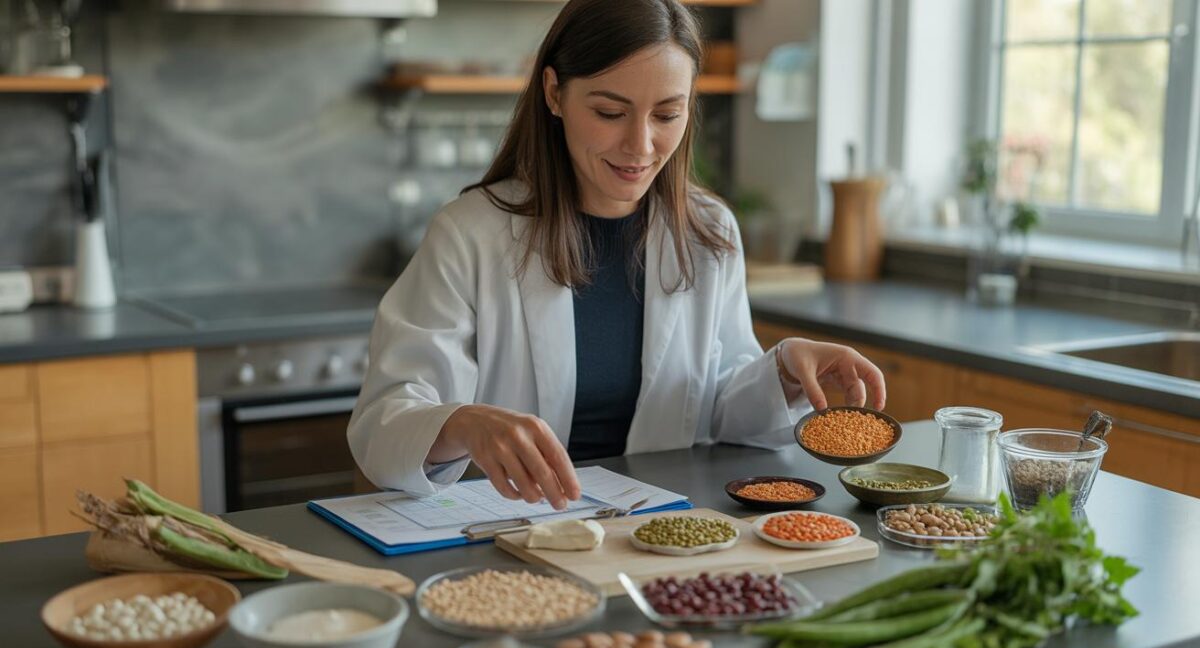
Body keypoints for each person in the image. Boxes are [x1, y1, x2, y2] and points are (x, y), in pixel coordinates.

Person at [348, 0, 886, 510]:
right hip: (506, 532)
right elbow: (384, 422)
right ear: (554, 93)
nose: (641, 145)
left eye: (667, 114)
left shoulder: (707, 231)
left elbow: (718, 407)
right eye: (610, 112)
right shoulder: (470, 235)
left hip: (654, 529)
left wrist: (786, 370)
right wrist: (462, 424)